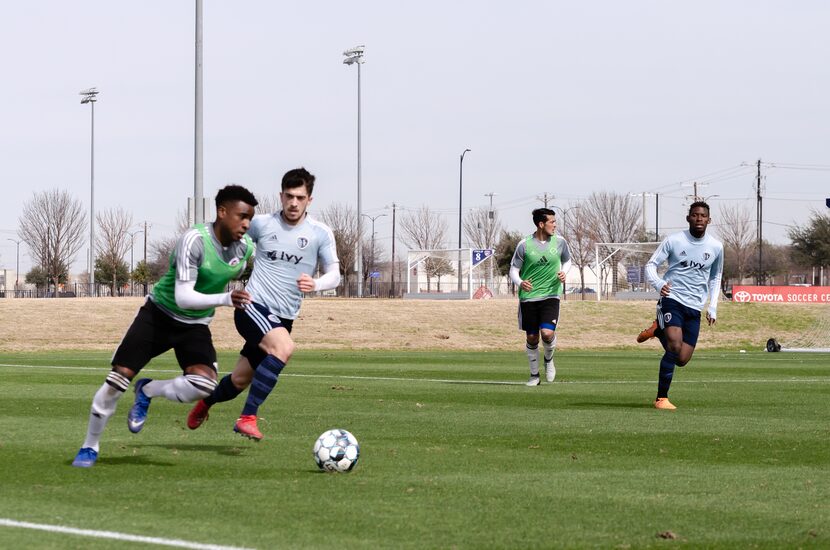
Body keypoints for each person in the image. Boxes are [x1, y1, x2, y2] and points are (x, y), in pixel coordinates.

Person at [71, 185, 258, 468]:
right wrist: (226, 298)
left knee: (205, 384)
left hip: (194, 324)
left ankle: (147, 390)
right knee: (117, 380)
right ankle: (89, 445)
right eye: (241, 216)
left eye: (250, 219)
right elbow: (184, 296)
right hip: (158, 316)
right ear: (222, 212)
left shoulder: (246, 248)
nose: (246, 224)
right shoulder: (194, 240)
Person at [186, 167, 340, 441]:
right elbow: (227, 234)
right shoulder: (262, 224)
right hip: (252, 306)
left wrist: (316, 284)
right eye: (289, 196)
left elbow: (334, 275)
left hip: (284, 318)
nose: (294, 203)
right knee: (284, 348)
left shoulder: (320, 233)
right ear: (280, 196)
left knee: (239, 380)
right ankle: (247, 417)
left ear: (309, 200)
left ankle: (205, 403)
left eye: (300, 197)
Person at [636, 201, 724, 410]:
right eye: (695, 215)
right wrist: (659, 284)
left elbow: (716, 275)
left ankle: (658, 331)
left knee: (682, 359)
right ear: (688, 218)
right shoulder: (674, 241)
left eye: (703, 216)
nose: (699, 219)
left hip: (695, 306)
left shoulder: (716, 247)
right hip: (672, 299)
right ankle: (661, 398)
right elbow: (651, 265)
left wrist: (713, 306)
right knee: (674, 346)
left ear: (709, 220)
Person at [509, 208, 571, 386]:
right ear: (541, 224)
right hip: (529, 298)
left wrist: (564, 273)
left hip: (551, 295)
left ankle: (549, 360)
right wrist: (521, 283)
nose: (555, 225)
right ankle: (534, 375)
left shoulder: (560, 242)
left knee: (547, 333)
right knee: (532, 338)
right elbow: (513, 269)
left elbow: (567, 260)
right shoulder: (524, 245)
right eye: (552, 222)